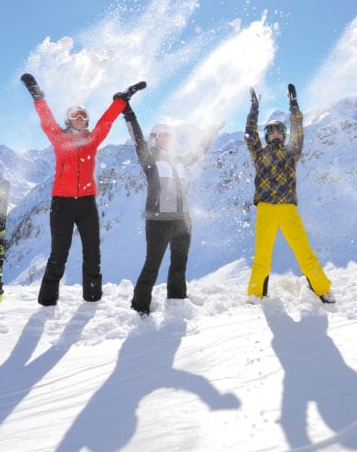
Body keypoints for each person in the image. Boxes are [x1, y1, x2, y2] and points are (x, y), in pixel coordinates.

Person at [20, 73, 145, 306]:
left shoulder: (92, 140)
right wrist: (37, 94)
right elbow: (46, 119)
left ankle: (93, 297)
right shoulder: (59, 139)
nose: (80, 119)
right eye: (76, 116)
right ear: (68, 120)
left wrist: (122, 99)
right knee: (59, 254)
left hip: (87, 203)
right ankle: (47, 301)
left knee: (92, 253)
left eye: (84, 117)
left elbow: (106, 122)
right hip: (62, 204)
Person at [123, 104, 223, 315]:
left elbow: (198, 151)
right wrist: (129, 113)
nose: (166, 139)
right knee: (152, 265)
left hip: (183, 220)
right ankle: (140, 307)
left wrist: (210, 133)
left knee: (180, 263)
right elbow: (137, 139)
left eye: (169, 136)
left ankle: (177, 300)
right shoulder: (149, 159)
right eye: (162, 136)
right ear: (154, 138)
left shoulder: (179, 159)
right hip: (158, 221)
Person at [245, 83, 334, 303]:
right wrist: (254, 108)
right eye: (271, 132)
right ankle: (256, 294)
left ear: (283, 135)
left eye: (279, 131)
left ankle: (322, 289)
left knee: (304, 252)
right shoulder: (259, 153)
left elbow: (299, 130)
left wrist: (294, 105)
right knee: (262, 257)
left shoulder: (291, 153)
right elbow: (249, 133)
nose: (275, 134)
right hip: (265, 208)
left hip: (287, 208)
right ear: (266, 136)